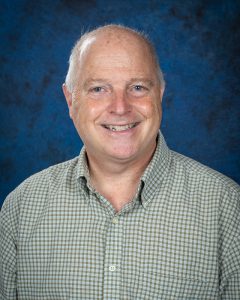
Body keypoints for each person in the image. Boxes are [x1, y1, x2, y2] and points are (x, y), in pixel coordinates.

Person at [0, 24, 239, 299]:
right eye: (99, 88)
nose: (120, 107)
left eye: (137, 87)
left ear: (159, 94)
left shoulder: (226, 208)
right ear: (70, 100)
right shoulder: (21, 208)